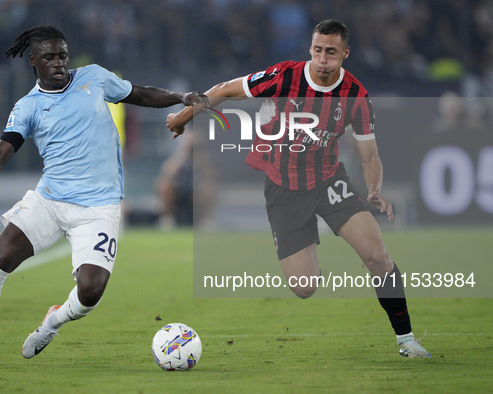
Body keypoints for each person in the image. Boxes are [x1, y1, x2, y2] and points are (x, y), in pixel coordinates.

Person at [167, 19, 431, 358]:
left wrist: (375, 190)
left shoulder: (355, 94)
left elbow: (369, 154)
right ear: (311, 48)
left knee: (377, 254)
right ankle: (307, 244)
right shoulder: (284, 76)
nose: (323, 59)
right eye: (318, 50)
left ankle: (406, 339)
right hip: (284, 188)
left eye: (331, 52)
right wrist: (183, 117)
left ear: (345, 53)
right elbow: (225, 88)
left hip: (329, 182)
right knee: (305, 287)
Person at [0, 25, 205, 366]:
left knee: (90, 293)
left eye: (63, 55)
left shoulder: (94, 78)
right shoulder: (29, 106)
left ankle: (53, 321)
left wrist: (181, 97)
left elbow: (139, 94)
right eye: (50, 57)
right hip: (50, 201)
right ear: (34, 61)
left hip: (99, 207)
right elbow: (4, 147)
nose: (59, 63)